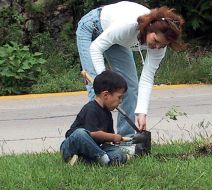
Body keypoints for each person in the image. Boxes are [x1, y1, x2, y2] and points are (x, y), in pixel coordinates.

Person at [76, 1, 185, 137]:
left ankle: (125, 140)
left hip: (116, 39)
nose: (157, 47)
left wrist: (141, 112)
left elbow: (146, 78)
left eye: (162, 45)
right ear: (149, 28)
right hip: (92, 28)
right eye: (156, 41)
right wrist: (102, 78)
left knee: (130, 87)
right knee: (98, 90)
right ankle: (95, 141)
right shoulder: (128, 26)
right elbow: (96, 48)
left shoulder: (160, 46)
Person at [60, 70, 128, 165]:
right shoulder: (91, 109)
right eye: (119, 97)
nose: (120, 101)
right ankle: (102, 158)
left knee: (119, 155)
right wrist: (113, 137)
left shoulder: (107, 113)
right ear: (105, 95)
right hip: (73, 147)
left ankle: (86, 161)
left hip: (94, 149)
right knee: (80, 133)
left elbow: (106, 139)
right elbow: (92, 134)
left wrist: (114, 142)